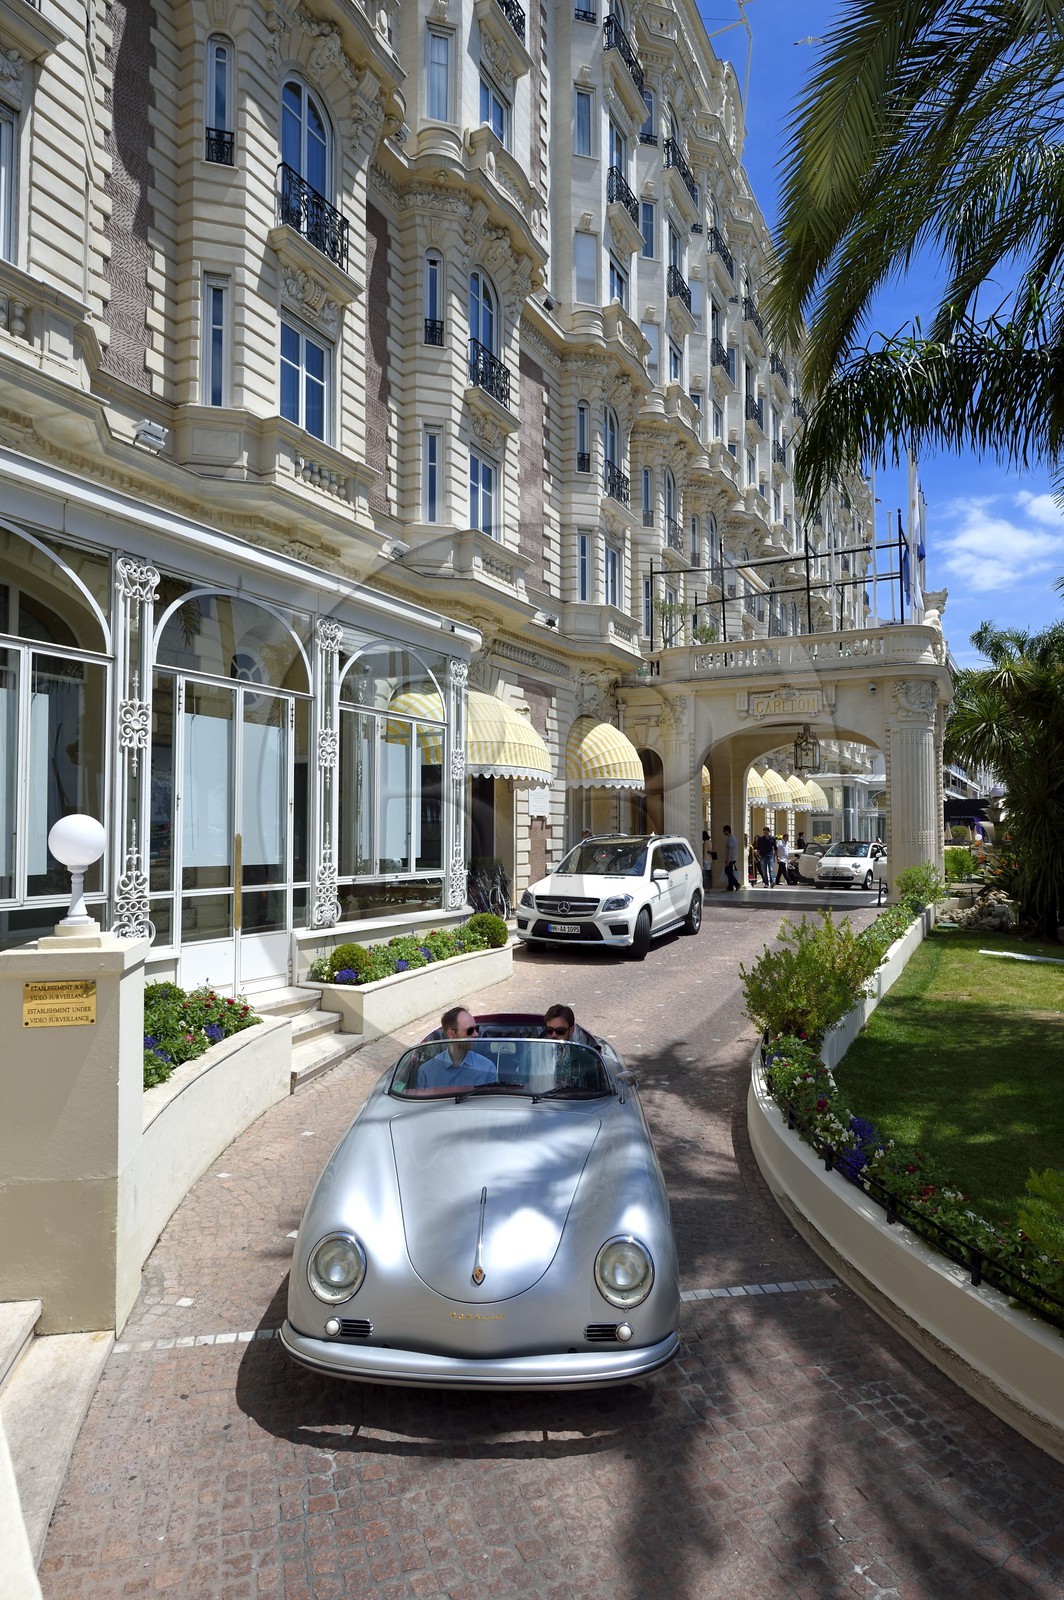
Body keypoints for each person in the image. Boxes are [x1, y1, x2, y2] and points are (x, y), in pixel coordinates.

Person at [417, 1005, 497, 1088]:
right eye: (470, 1031)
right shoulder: (426, 1072)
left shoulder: (487, 1068)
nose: (476, 1034)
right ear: (451, 1034)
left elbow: (493, 1100)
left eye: (476, 1028)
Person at [722, 824, 740, 891]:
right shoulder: (734, 837)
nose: (723, 832)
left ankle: (732, 886)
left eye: (724, 831)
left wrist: (728, 859)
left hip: (731, 858)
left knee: (728, 872)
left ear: (727, 831)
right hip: (733, 857)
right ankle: (734, 885)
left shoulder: (731, 838)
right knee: (728, 872)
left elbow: (731, 849)